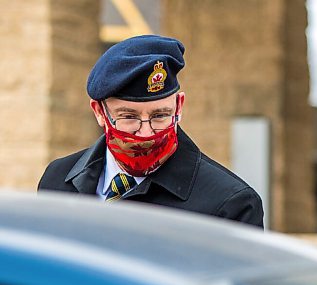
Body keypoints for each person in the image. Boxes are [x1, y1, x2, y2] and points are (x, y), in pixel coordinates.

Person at [38, 34, 264, 228]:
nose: (146, 134)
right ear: (99, 111)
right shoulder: (58, 179)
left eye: (159, 116)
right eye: (129, 117)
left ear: (179, 106)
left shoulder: (230, 203)